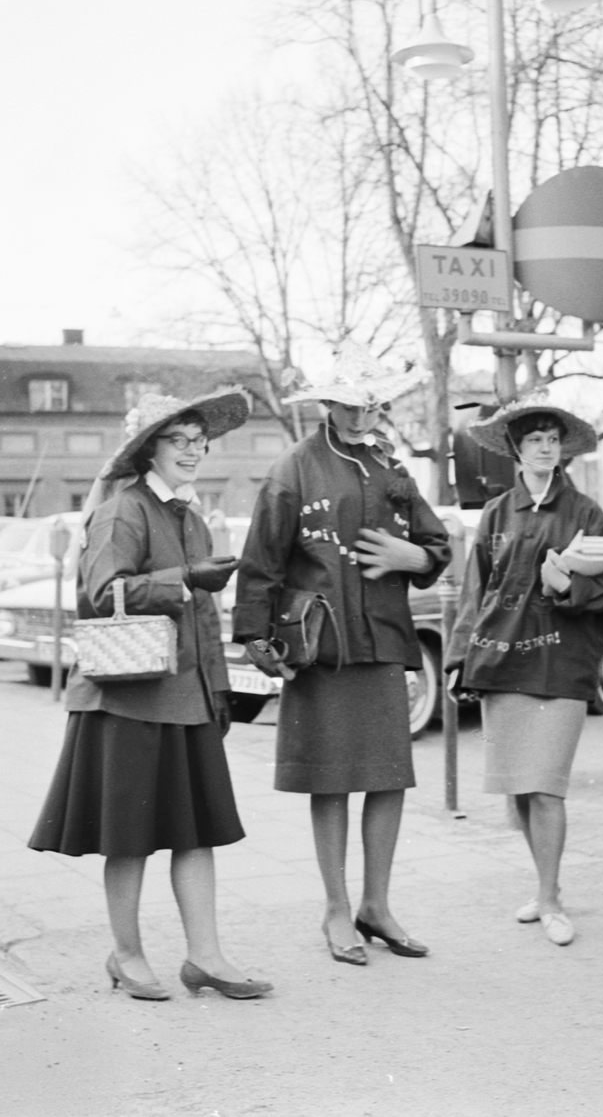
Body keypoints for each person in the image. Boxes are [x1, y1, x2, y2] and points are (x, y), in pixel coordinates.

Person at [28, 390, 272, 1002]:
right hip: (126, 699)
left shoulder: (190, 516)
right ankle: (127, 954)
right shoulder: (123, 510)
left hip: (184, 697)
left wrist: (220, 693)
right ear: (149, 450)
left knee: (198, 831)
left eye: (199, 440)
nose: (193, 451)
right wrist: (185, 579)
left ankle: (206, 957)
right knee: (129, 835)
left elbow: (199, 618)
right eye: (178, 440)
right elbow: (101, 592)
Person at [233, 344, 451, 967]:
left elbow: (435, 543)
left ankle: (376, 906)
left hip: (382, 640)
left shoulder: (392, 467)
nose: (362, 417)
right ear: (327, 403)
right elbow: (261, 563)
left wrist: (414, 558)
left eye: (373, 405)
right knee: (329, 781)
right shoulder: (293, 470)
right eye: (351, 406)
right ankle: (335, 908)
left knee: (388, 777)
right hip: (321, 647)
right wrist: (256, 636)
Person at [444, 398, 603, 947]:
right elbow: (477, 591)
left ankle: (550, 898)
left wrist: (569, 588)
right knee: (519, 792)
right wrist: (458, 658)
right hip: (503, 662)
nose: (546, 448)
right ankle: (546, 888)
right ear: (516, 451)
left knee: (546, 788)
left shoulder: (586, 513)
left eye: (553, 439)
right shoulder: (498, 513)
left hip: (562, 665)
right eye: (535, 440)